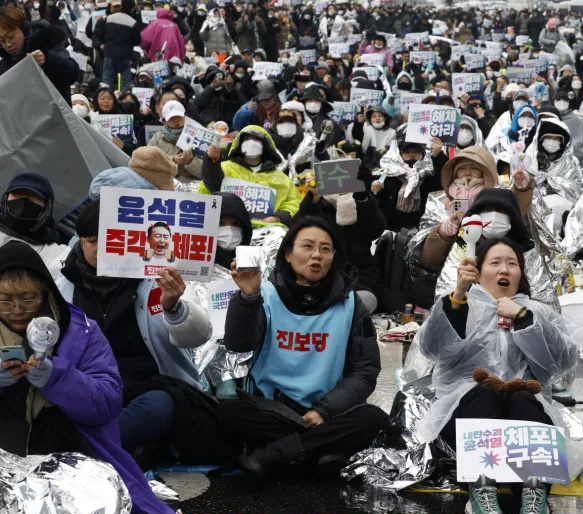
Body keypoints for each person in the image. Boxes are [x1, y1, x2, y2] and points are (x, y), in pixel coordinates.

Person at [0, 242, 199, 514]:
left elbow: (107, 403)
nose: (16, 311)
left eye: (28, 300)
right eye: (4, 301)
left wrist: (59, 377)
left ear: (46, 294)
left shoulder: (81, 332)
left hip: (69, 445)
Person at [418, 237, 577, 514]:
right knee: (484, 393)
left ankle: (534, 495)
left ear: (521, 274)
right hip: (466, 416)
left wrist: (523, 319)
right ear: (479, 272)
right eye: (495, 263)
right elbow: (434, 349)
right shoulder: (463, 302)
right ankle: (480, 492)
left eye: (512, 263)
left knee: (523, 398)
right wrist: (457, 298)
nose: (504, 269)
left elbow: (564, 361)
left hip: (523, 416)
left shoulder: (536, 310)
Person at [56, 203, 232, 468]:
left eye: (114, 239)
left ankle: (85, 453)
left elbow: (198, 335)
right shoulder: (61, 289)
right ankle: (124, 450)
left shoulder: (158, 277)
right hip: (92, 392)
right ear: (80, 242)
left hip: (151, 389)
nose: (106, 248)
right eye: (95, 240)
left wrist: (174, 306)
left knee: (158, 405)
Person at [217, 217, 389, 481]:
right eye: (307, 246)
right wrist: (248, 298)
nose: (316, 256)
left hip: (329, 411)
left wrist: (324, 411)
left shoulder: (352, 304)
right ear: (288, 253)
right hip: (273, 409)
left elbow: (365, 370)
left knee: (373, 418)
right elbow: (238, 344)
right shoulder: (265, 295)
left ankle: (272, 456)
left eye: (325, 249)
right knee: (228, 412)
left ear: (334, 257)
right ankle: (319, 452)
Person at [295, 173, 387, 314]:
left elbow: (376, 229)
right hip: (319, 280)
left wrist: (361, 194)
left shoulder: (360, 201)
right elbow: (297, 231)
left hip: (359, 278)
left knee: (362, 304)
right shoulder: (317, 205)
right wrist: (312, 198)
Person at [199, 125, 302, 226]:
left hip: (269, 231)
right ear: (239, 143)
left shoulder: (281, 178)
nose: (251, 143)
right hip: (227, 226)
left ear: (265, 145)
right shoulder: (223, 168)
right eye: (247, 139)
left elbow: (294, 203)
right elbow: (209, 187)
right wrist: (211, 161)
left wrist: (278, 218)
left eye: (257, 139)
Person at [0, 173, 69, 280]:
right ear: (6, 198)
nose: (24, 200)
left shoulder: (56, 253)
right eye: (17, 193)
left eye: (34, 196)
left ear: (46, 207)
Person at [0, 6, 78, 101]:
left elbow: (73, 72)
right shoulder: (3, 66)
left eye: (11, 37)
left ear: (23, 30)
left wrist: (47, 60)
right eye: (2, 41)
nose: (8, 45)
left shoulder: (48, 46)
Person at [148, 100, 203, 183]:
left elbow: (207, 173)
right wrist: (172, 160)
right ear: (164, 120)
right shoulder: (157, 138)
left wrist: (191, 160)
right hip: (163, 186)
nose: (176, 121)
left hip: (192, 188)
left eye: (179, 117)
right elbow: (148, 163)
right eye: (171, 118)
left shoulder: (198, 136)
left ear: (185, 116)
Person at [95, 0, 143, 93]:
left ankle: (105, 97)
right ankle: (123, 100)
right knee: (125, 83)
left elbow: (100, 34)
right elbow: (137, 41)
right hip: (125, 55)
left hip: (109, 53)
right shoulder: (133, 22)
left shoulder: (109, 18)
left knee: (107, 81)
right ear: (132, 8)